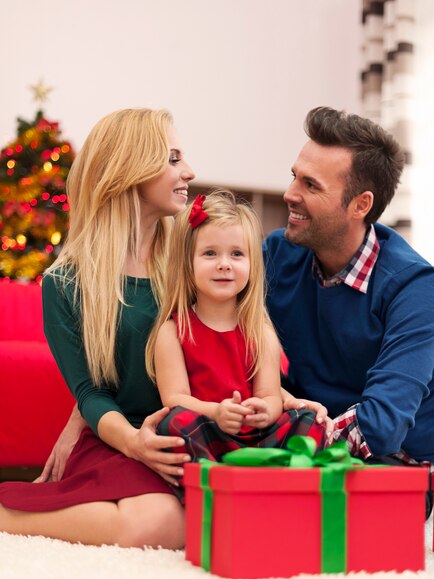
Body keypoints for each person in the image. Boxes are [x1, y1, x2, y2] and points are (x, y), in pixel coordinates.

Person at [0, 108, 197, 547]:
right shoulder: (65, 283)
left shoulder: (193, 259)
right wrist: (133, 443)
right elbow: (91, 392)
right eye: (172, 158)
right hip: (121, 436)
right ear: (129, 170)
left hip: (195, 430)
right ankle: (10, 516)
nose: (190, 171)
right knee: (159, 525)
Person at [263, 107, 434, 497]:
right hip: (306, 433)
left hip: (396, 460)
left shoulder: (416, 288)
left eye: (311, 185)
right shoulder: (276, 254)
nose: (290, 194)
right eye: (294, 176)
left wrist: (286, 451)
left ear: (361, 205)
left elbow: (382, 426)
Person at [145, 191, 333, 466]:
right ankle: (216, 483)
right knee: (173, 424)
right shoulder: (174, 331)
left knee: (308, 422)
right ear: (187, 263)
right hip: (208, 433)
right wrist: (217, 412)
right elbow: (174, 398)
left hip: (258, 437)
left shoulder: (260, 331)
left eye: (236, 254)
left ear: (251, 264)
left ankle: (271, 484)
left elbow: (269, 395)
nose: (224, 264)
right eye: (210, 253)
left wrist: (264, 412)